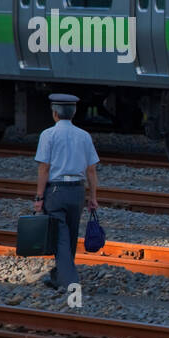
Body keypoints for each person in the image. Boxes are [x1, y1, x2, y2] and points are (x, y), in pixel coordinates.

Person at [33, 93, 100, 293]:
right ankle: (57, 277)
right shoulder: (84, 135)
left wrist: (39, 197)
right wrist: (93, 196)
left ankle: (71, 283)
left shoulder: (47, 135)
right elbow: (91, 170)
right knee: (70, 237)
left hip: (56, 191)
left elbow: (43, 168)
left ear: (54, 113)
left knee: (60, 238)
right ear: (74, 112)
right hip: (78, 191)